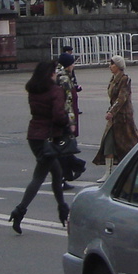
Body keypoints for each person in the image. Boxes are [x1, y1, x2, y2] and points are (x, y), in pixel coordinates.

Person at [9, 61, 71, 233]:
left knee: (57, 173)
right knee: (39, 176)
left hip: (34, 136)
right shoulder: (55, 91)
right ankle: (19, 211)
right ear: (49, 74)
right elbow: (58, 116)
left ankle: (62, 208)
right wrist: (67, 121)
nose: (56, 75)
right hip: (48, 139)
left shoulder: (34, 90)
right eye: (54, 72)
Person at [93, 55, 138, 180]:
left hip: (123, 117)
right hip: (114, 117)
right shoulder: (113, 79)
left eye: (113, 64)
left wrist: (112, 112)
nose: (110, 66)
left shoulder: (125, 79)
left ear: (119, 66)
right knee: (108, 142)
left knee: (129, 142)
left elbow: (122, 98)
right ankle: (108, 173)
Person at [55, 51, 84, 188]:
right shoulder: (64, 79)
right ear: (68, 65)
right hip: (64, 117)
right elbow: (68, 102)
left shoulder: (60, 75)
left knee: (62, 148)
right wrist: (71, 122)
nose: (73, 66)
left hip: (60, 117)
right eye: (72, 63)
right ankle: (75, 168)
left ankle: (68, 173)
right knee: (63, 148)